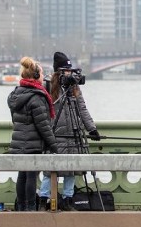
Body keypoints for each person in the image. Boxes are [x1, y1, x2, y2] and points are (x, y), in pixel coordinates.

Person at [37, 51, 100, 211]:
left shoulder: (74, 87)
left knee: (72, 169)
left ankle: (67, 200)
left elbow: (82, 108)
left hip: (73, 134)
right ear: (58, 71)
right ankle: (44, 199)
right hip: (55, 134)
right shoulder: (48, 85)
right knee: (50, 170)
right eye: (66, 71)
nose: (69, 74)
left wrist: (91, 128)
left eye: (70, 71)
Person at [7, 56, 58, 211]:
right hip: (33, 143)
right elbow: (44, 126)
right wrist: (53, 145)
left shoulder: (16, 94)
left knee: (22, 176)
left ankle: (21, 208)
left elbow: (16, 121)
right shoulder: (37, 97)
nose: (43, 77)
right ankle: (31, 208)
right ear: (36, 76)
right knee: (31, 177)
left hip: (18, 142)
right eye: (42, 74)